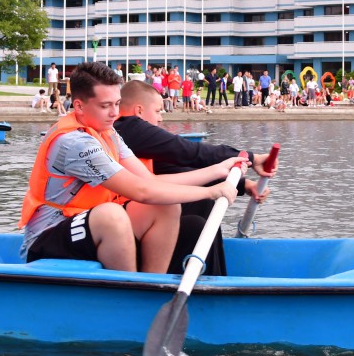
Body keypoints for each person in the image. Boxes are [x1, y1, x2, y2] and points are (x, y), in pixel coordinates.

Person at [17, 62, 242, 274]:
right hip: (46, 239)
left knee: (165, 206)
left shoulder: (109, 132)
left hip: (88, 225)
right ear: (79, 106)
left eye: (116, 104)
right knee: (112, 215)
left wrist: (217, 171)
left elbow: (149, 182)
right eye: (105, 106)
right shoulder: (75, 143)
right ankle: (131, 291)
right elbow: (140, 191)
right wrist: (211, 191)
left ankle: (152, 284)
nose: (115, 113)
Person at [113, 80, 274, 275]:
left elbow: (178, 168)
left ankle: (217, 278)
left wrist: (244, 185)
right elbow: (188, 151)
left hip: (133, 211)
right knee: (196, 225)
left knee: (204, 201)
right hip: (121, 219)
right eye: (157, 111)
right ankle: (212, 285)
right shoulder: (128, 127)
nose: (161, 118)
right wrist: (250, 157)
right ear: (139, 111)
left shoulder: (128, 138)